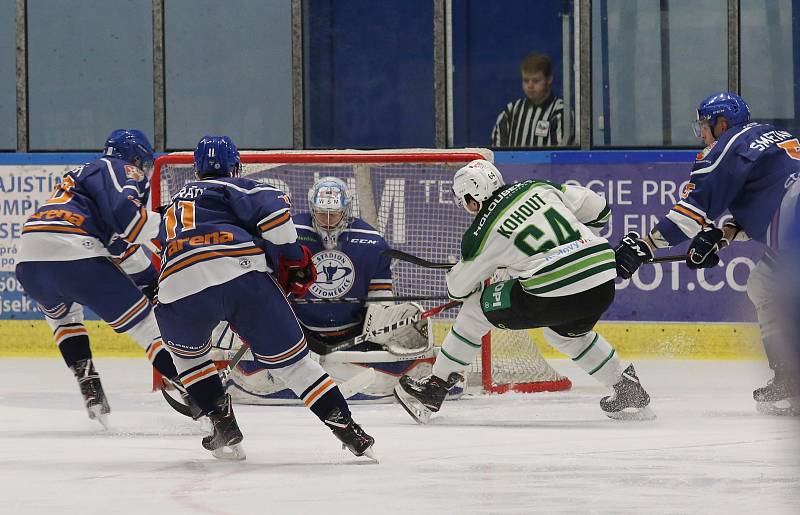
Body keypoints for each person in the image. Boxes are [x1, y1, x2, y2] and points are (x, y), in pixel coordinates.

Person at [153, 136, 376, 460]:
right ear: (236, 166)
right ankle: (349, 431)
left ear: (197, 170)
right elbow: (277, 223)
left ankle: (222, 423)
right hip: (243, 277)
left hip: (178, 286)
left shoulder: (172, 206)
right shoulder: (239, 187)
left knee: (188, 358)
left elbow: (157, 250)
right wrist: (294, 262)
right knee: (297, 367)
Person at [393, 159, 655, 423]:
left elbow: (457, 290)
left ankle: (435, 387)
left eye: (466, 201)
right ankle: (626, 388)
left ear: (473, 199)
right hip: (602, 280)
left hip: (553, 292)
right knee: (563, 335)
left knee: (474, 310)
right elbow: (600, 211)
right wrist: (578, 246)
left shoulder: (481, 232)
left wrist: (476, 268)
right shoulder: (536, 187)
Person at [614, 92, 800, 416]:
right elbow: (768, 199)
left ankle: (790, 378)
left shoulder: (723, 149)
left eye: (704, 125)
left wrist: (645, 246)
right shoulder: (769, 135)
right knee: (764, 284)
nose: (701, 134)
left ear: (722, 124)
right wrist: (722, 235)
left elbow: (688, 217)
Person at [14, 129, 182, 427]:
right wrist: (174, 230)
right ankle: (199, 397)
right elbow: (127, 218)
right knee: (146, 326)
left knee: (64, 318)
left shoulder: (81, 178)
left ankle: (89, 384)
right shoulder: (116, 167)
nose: (143, 172)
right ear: (135, 158)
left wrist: (150, 282)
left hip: (29, 258)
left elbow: (120, 246)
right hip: (73, 251)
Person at [227, 176, 436, 404]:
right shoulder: (289, 232)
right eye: (321, 214)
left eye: (334, 214)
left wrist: (381, 327)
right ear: (311, 209)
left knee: (406, 340)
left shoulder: (372, 242)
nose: (327, 221)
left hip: (352, 335)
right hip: (299, 332)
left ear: (346, 211)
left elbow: (379, 301)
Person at [490, 52, 571, 147]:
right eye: (526, 80)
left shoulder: (560, 112)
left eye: (536, 81)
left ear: (549, 79)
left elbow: (560, 156)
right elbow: (498, 152)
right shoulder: (510, 111)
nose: (530, 86)